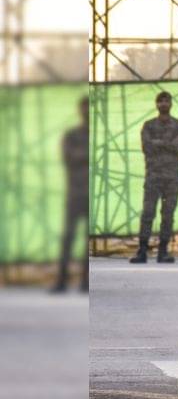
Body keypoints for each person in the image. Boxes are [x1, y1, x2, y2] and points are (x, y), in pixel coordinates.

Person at [130, 91, 178, 265]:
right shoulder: (148, 126)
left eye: (166, 101)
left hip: (171, 178)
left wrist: (159, 143)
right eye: (160, 101)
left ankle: (163, 251)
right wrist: (168, 144)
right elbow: (147, 147)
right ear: (156, 104)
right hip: (153, 177)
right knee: (148, 213)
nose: (163, 104)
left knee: (168, 215)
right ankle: (142, 251)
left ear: (171, 104)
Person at [52, 96, 90, 294]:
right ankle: (62, 281)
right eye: (84, 107)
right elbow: (69, 157)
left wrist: (82, 155)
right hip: (75, 193)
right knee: (68, 238)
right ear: (79, 110)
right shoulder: (72, 135)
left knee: (86, 242)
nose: (87, 111)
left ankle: (86, 282)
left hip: (90, 195)